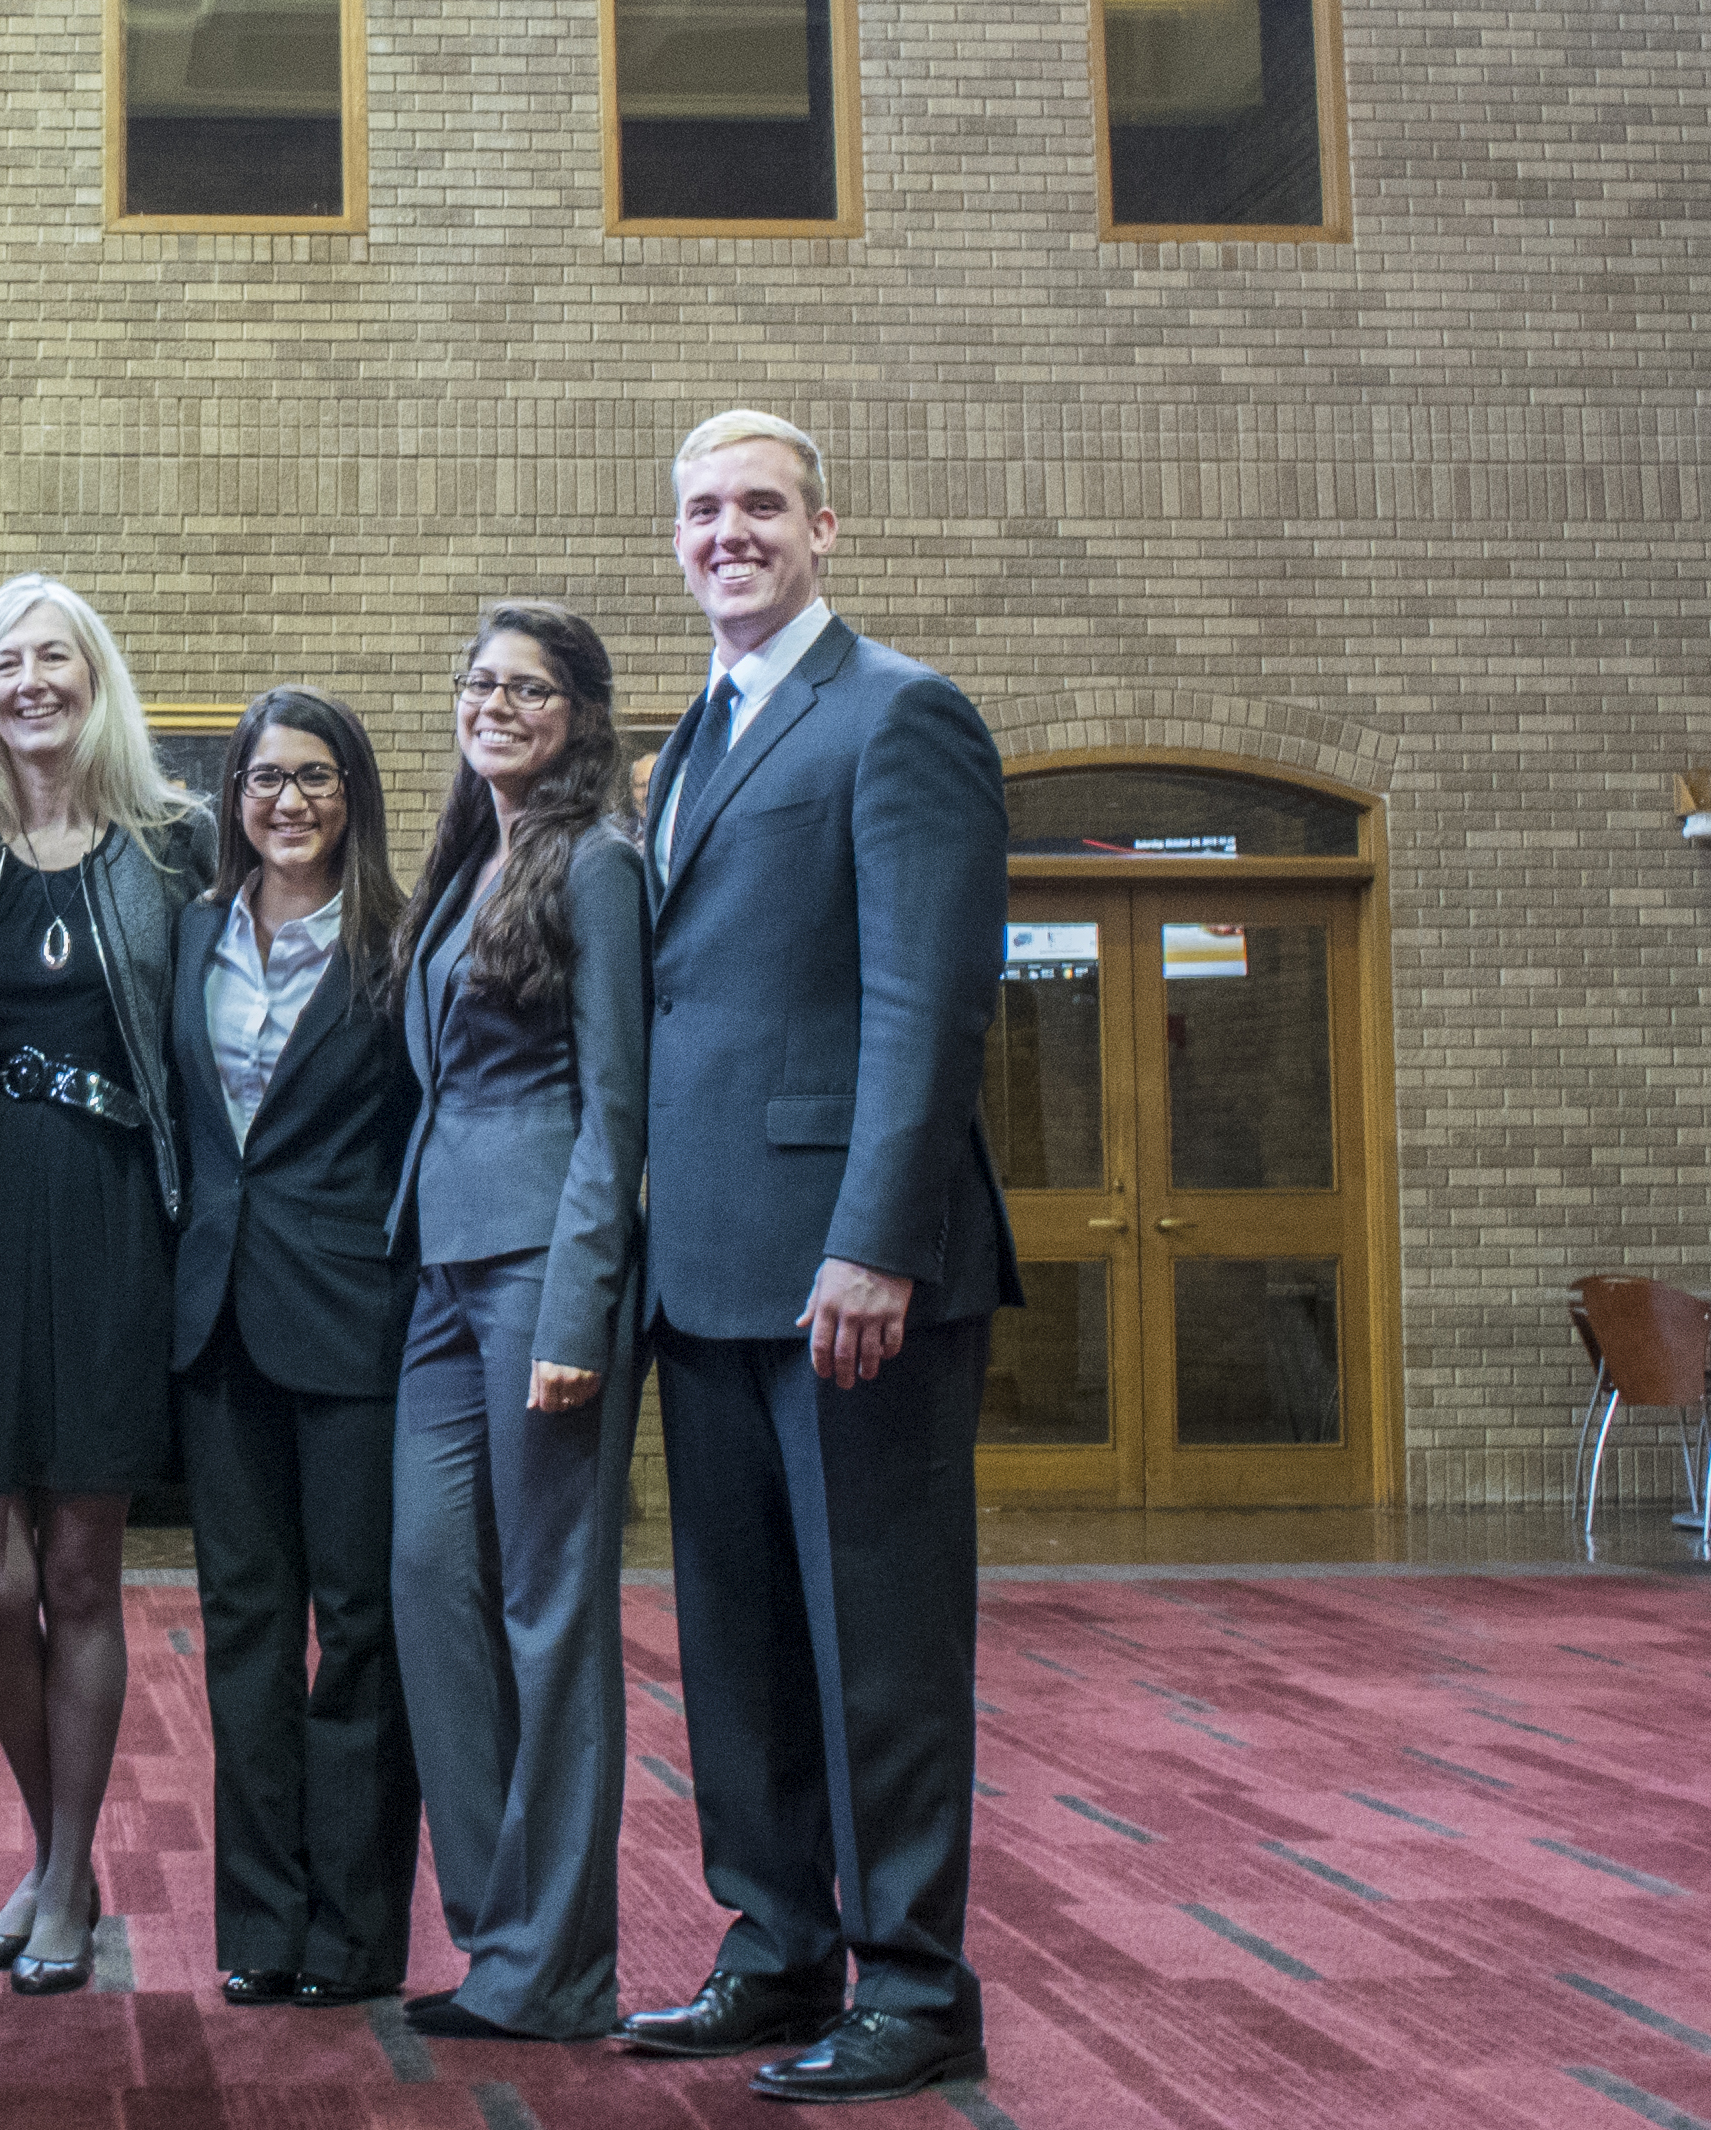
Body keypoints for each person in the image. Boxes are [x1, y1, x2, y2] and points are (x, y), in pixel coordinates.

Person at [620, 410, 1018, 2104]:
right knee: (741, 1638)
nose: (730, 532)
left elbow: (930, 1006)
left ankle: (914, 1979)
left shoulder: (900, 714)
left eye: (760, 506)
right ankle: (774, 1943)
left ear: (826, 528)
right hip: (704, 1263)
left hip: (854, 1276)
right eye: (702, 509)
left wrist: (876, 1242)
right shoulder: (689, 740)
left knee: (878, 1641)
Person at [0, 572, 216, 1993]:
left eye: (55, 657)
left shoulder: (175, 846)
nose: (30, 681)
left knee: (84, 1567)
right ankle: (55, 1857)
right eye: (3, 662)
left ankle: (65, 1878)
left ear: (97, 676)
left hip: (109, 1217)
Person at [383, 600, 651, 2044]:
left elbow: (619, 1104)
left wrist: (581, 1302)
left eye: (529, 687)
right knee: (430, 1582)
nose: (495, 702)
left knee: (552, 1612)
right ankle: (497, 1932)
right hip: (434, 1268)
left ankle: (556, 1964)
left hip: (545, 1268)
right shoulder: (467, 858)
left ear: (578, 714)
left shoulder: (599, 863)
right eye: (479, 681)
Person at [166, 686, 421, 2012]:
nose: (289, 801)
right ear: (236, 796)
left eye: (316, 776)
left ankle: (358, 1926)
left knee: (362, 1624)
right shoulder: (195, 928)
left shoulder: (397, 938)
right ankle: (262, 1919)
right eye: (265, 778)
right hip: (216, 1321)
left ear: (354, 793)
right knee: (244, 1629)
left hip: (356, 1321)